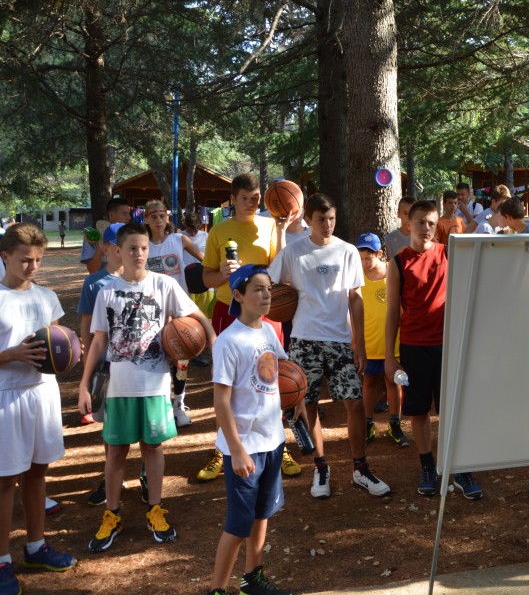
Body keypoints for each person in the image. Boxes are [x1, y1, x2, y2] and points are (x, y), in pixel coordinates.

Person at [78, 221, 216, 553]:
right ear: (117, 251)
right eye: (131, 248)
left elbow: (198, 317)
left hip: (154, 384)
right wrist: (84, 384)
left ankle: (155, 508)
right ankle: (112, 513)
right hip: (118, 387)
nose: (138, 253)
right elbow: (99, 342)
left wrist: (214, 343)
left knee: (153, 448)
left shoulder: (164, 284)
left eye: (143, 248)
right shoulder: (106, 291)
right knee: (116, 451)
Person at [268, 194, 390, 499]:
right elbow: (273, 288)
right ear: (308, 220)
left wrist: (359, 343)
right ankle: (320, 467)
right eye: (321, 219)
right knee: (307, 404)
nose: (327, 224)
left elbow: (355, 297)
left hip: (340, 339)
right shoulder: (293, 252)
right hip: (304, 339)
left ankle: (360, 468)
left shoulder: (347, 251)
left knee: (355, 403)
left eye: (332, 218)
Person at [196, 173, 301, 483]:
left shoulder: (269, 226)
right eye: (245, 199)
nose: (251, 203)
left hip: (266, 312)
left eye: (255, 198)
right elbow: (206, 278)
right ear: (233, 199)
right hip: (228, 311)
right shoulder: (218, 231)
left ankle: (279, 445)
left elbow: (279, 271)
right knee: (227, 382)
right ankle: (224, 448)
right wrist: (223, 275)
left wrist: (281, 230)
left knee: (271, 378)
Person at [206, 264, 300, 595]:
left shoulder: (269, 332)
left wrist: (298, 398)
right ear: (238, 295)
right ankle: (217, 589)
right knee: (238, 525)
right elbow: (221, 401)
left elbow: (284, 373)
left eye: (269, 289)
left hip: (272, 440)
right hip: (243, 446)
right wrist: (236, 450)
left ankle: (252, 578)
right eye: (258, 289)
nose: (266, 295)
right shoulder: (228, 341)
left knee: (263, 514)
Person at [385, 200, 482, 499]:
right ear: (408, 224)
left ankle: (460, 467)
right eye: (420, 222)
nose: (426, 228)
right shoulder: (398, 262)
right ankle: (428, 466)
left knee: (451, 410)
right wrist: (389, 357)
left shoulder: (450, 252)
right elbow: (392, 313)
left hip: (448, 344)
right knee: (418, 410)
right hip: (414, 346)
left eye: (430, 223)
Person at [0, 224, 77, 594]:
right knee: (4, 480)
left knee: (37, 472)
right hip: (7, 396)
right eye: (25, 260)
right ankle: (1, 560)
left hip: (43, 393)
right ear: (5, 257)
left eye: (37, 260)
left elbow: (57, 344)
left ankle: (35, 546)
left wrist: (70, 352)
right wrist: (11, 354)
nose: (32, 267)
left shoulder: (47, 297)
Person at [143, 200, 206, 427]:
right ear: (146, 219)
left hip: (180, 310)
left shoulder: (179, 240)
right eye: (154, 216)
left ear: (167, 218)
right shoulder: (143, 245)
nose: (159, 220)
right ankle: (160, 406)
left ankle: (179, 405)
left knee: (181, 359)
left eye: (162, 216)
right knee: (156, 360)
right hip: (152, 311)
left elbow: (206, 260)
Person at [78, 223, 124, 503]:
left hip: (138, 366)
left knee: (145, 430)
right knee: (109, 426)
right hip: (106, 365)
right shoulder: (94, 283)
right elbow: (86, 325)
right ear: (105, 248)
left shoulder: (146, 279)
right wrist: (88, 364)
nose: (121, 249)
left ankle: (145, 475)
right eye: (116, 244)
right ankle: (111, 480)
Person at [356, 233, 409, 448]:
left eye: (368, 258)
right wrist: (355, 341)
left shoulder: (392, 272)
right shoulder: (357, 276)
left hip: (393, 342)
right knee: (369, 382)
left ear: (379, 254)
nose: (364, 263)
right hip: (369, 341)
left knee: (393, 382)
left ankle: (395, 424)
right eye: (360, 258)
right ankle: (368, 423)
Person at [83, 198, 132, 274]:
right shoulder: (93, 236)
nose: (129, 217)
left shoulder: (132, 236)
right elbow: (93, 270)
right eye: (125, 214)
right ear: (111, 215)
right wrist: (102, 244)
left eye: (129, 214)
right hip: (102, 281)